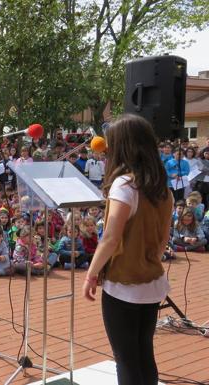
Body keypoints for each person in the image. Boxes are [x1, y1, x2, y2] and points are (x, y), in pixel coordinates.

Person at [83, 114, 173, 385]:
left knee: (125, 357)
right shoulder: (162, 187)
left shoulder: (125, 185)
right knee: (144, 352)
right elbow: (163, 238)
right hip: (152, 280)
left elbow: (110, 237)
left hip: (124, 283)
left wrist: (91, 274)